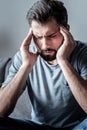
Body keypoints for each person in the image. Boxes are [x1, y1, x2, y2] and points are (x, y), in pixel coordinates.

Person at [0, 0, 87, 129]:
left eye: (51, 36)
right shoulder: (24, 56)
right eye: (38, 37)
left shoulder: (83, 53)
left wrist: (63, 60)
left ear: (66, 30)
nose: (45, 45)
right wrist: (26, 66)